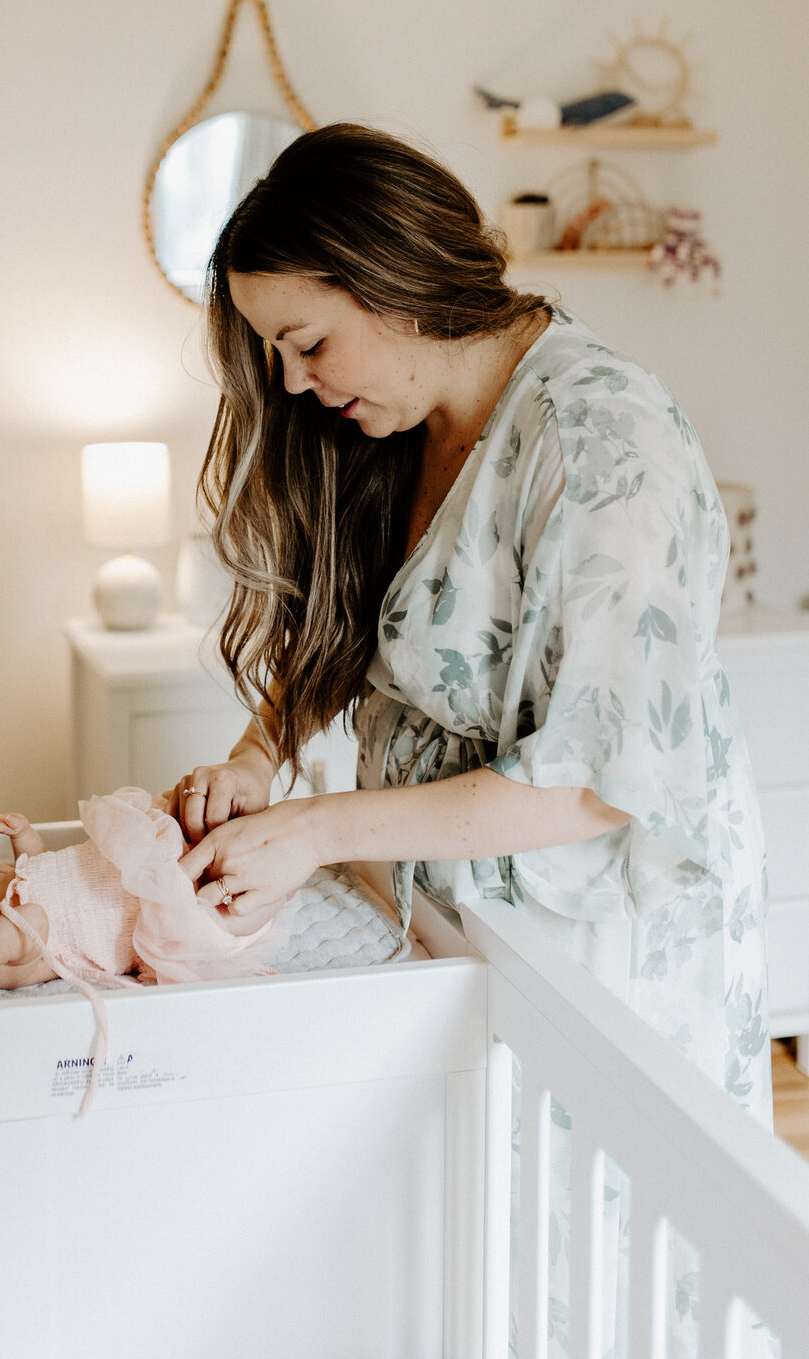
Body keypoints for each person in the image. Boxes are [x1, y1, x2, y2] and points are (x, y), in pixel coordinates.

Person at [173, 122, 768, 1126]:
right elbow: (357, 633)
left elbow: (593, 784)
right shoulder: (398, 430)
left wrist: (313, 829)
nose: (291, 382)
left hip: (593, 947)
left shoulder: (598, 439)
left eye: (307, 342)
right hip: (465, 930)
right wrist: (253, 757)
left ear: (393, 277)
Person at [0, 790, 280, 1003]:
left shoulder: (2, 884)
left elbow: (43, 873)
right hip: (158, 919)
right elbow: (33, 921)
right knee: (238, 909)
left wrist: (22, 836)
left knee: (210, 822)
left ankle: (271, 823)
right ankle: (286, 870)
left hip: (141, 860)